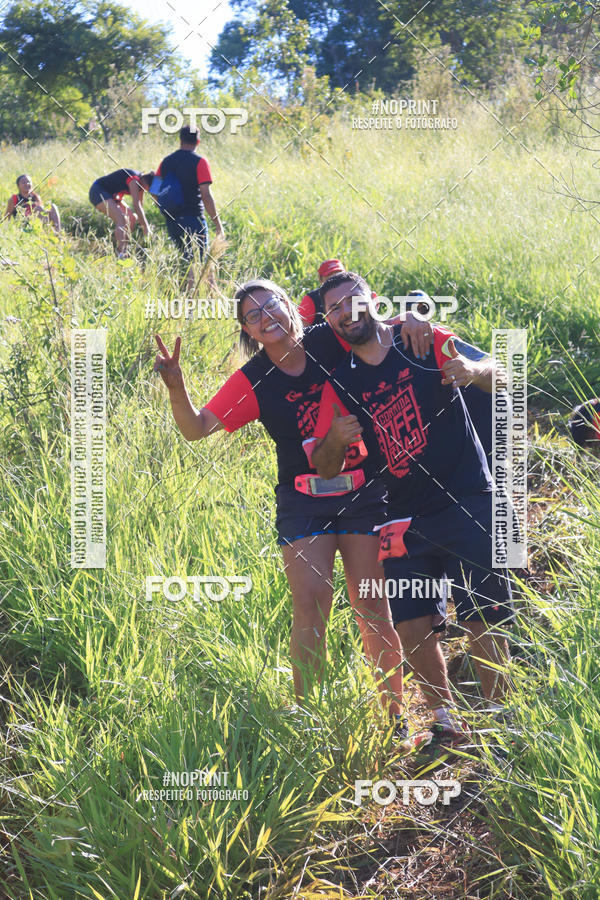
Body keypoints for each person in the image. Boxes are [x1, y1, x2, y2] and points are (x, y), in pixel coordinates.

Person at [154, 278, 432, 738]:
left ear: (291, 306)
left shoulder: (329, 337)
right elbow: (196, 428)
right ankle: (310, 723)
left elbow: (375, 323)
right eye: (253, 315)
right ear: (247, 330)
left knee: (372, 606)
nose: (267, 318)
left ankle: (394, 718)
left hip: (365, 492)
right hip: (303, 502)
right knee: (310, 606)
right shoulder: (253, 379)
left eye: (272, 305)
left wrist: (419, 315)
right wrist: (176, 387)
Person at [309, 271, 515, 748]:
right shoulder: (340, 382)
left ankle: (500, 719)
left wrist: (470, 370)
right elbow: (324, 466)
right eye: (335, 308)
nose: (345, 312)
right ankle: (444, 718)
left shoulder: (417, 337)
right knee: (410, 622)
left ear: (372, 300)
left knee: (483, 611)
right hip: (399, 515)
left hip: (467, 497)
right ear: (330, 320)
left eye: (352, 300)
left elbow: (501, 374)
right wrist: (334, 440)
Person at [154, 125, 224, 263]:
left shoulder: (166, 162)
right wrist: (218, 224)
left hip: (172, 221)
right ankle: (192, 285)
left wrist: (166, 209)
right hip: (193, 219)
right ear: (198, 142)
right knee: (196, 263)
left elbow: (155, 190)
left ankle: (186, 285)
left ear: (180, 140)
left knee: (185, 262)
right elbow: (206, 195)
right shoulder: (200, 162)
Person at [88, 169, 154, 257]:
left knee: (132, 218)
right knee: (121, 218)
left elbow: (139, 207)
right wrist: (146, 227)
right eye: (150, 189)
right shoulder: (134, 180)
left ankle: (123, 247)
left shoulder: (141, 186)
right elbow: (136, 204)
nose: (149, 192)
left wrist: (144, 226)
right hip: (98, 191)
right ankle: (121, 253)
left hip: (112, 195)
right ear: (146, 183)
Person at [298, 258, 346, 325]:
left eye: (339, 274)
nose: (336, 279)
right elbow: (299, 330)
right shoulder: (311, 299)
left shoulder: (355, 293)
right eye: (330, 276)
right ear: (320, 280)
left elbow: (360, 323)